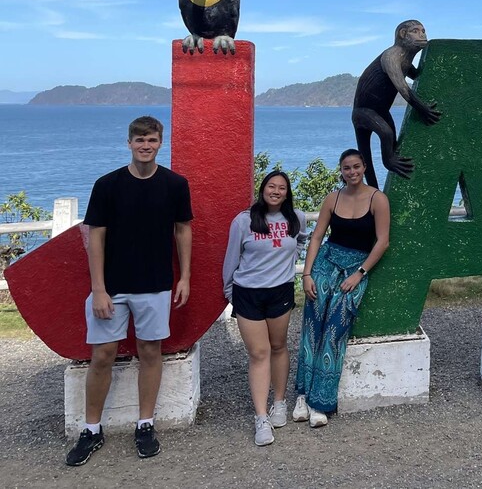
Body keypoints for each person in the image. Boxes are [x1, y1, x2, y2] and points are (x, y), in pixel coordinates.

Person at [65, 116, 193, 467]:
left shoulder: (175, 184)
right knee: (103, 355)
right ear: (129, 143)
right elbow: (96, 238)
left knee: (151, 352)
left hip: (155, 285)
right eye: (139, 140)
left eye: (151, 140)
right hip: (113, 288)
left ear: (159, 143)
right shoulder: (107, 185)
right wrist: (98, 288)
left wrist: (184, 277)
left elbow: (183, 231)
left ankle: (145, 424)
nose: (145, 146)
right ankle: (92, 429)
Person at [293, 149, 390, 427]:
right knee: (312, 327)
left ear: (364, 167)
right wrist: (307, 274)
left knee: (335, 330)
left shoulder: (377, 199)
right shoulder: (332, 198)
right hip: (326, 262)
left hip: (355, 268)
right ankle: (302, 394)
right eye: (347, 168)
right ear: (341, 170)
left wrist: (360, 273)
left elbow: (382, 241)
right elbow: (317, 237)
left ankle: (320, 401)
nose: (352, 172)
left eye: (356, 166)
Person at [222, 170, 309, 445]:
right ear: (263, 189)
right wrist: (230, 292)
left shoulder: (296, 218)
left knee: (279, 346)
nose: (276, 191)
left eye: (282, 188)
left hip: (280, 291)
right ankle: (261, 417)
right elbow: (231, 256)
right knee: (258, 353)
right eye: (271, 186)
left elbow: (301, 240)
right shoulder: (244, 220)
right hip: (248, 293)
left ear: (287, 192)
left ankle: (280, 402)